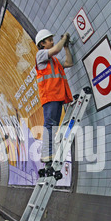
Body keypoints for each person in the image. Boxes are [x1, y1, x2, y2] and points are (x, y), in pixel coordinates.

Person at [35, 29, 74, 169]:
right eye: (49, 40)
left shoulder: (54, 61)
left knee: (54, 127)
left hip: (57, 97)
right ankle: (47, 156)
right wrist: (64, 38)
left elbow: (69, 63)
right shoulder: (40, 55)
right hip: (50, 97)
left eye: (52, 39)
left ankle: (50, 155)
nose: (52, 41)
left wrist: (66, 47)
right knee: (49, 125)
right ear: (42, 44)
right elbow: (56, 49)